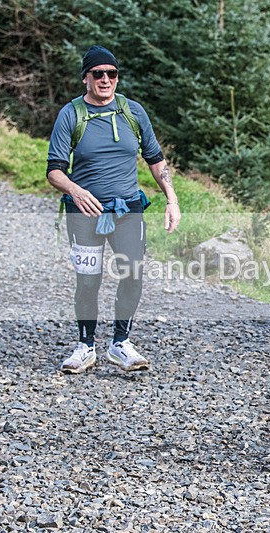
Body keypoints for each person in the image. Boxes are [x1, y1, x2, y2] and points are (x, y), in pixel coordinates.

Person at [46, 45, 181, 374]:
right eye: (98, 74)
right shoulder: (71, 114)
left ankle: (120, 343)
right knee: (88, 279)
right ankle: (85, 346)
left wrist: (171, 199)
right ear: (86, 78)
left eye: (112, 74)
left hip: (128, 210)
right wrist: (75, 190)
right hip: (84, 214)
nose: (105, 79)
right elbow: (54, 170)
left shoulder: (132, 112)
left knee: (133, 273)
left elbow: (155, 159)